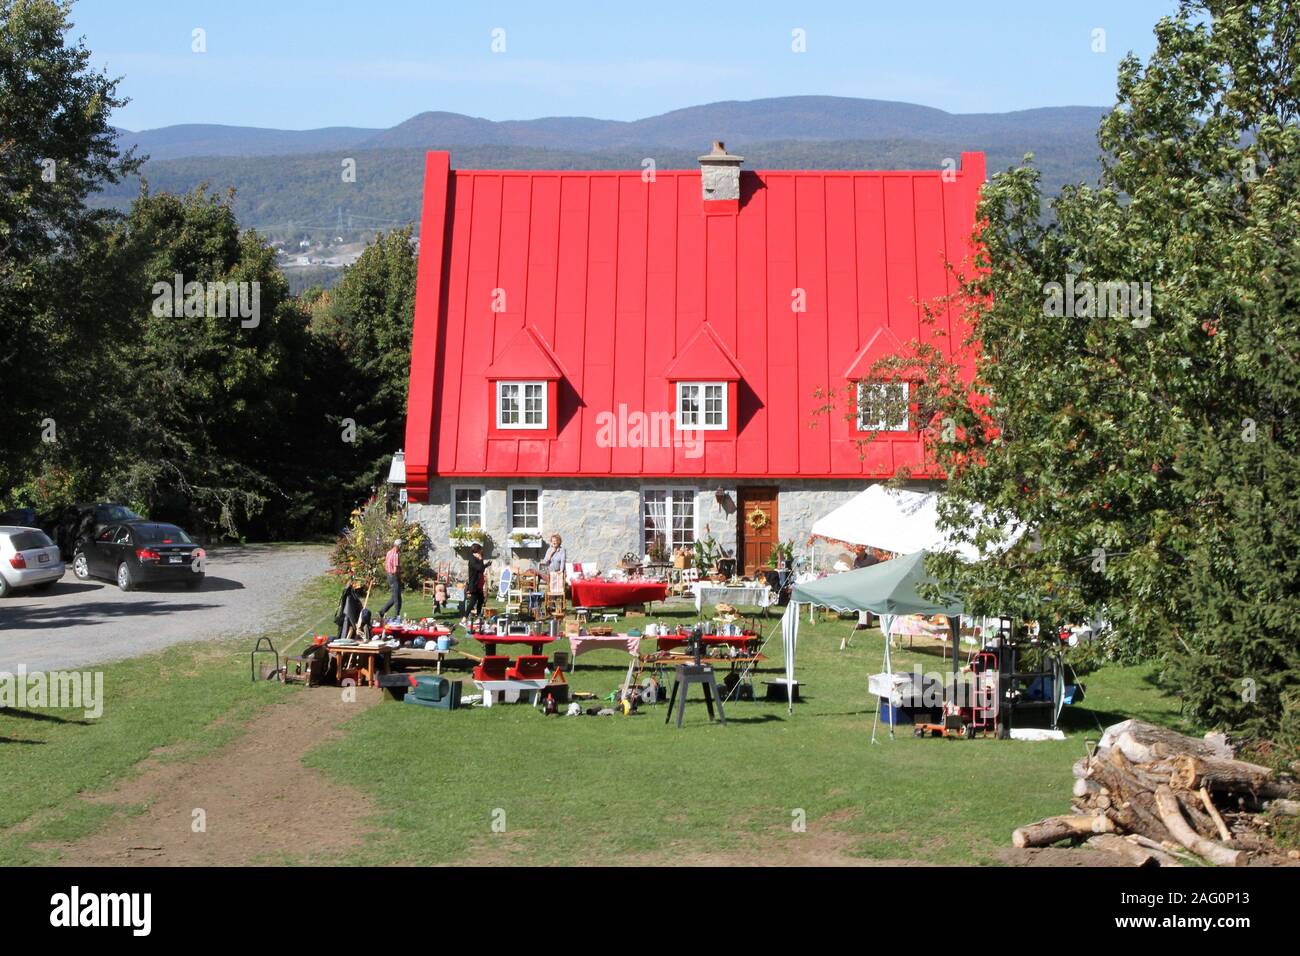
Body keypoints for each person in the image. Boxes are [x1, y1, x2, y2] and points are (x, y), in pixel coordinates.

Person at [379, 538, 402, 623]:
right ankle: (396, 616)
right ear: (399, 546)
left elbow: (386, 564)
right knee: (397, 598)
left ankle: (382, 611)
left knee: (394, 596)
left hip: (388, 576)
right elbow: (396, 569)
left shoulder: (389, 552)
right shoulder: (396, 554)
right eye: (401, 546)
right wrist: (400, 574)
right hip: (394, 576)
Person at [465, 543, 487, 617]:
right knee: (472, 602)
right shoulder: (472, 560)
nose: (481, 551)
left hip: (478, 585)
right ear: (477, 551)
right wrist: (481, 559)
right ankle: (464, 618)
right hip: (474, 584)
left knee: (481, 600)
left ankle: (478, 616)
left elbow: (481, 569)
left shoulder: (477, 559)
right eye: (480, 550)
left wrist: (486, 565)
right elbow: (480, 568)